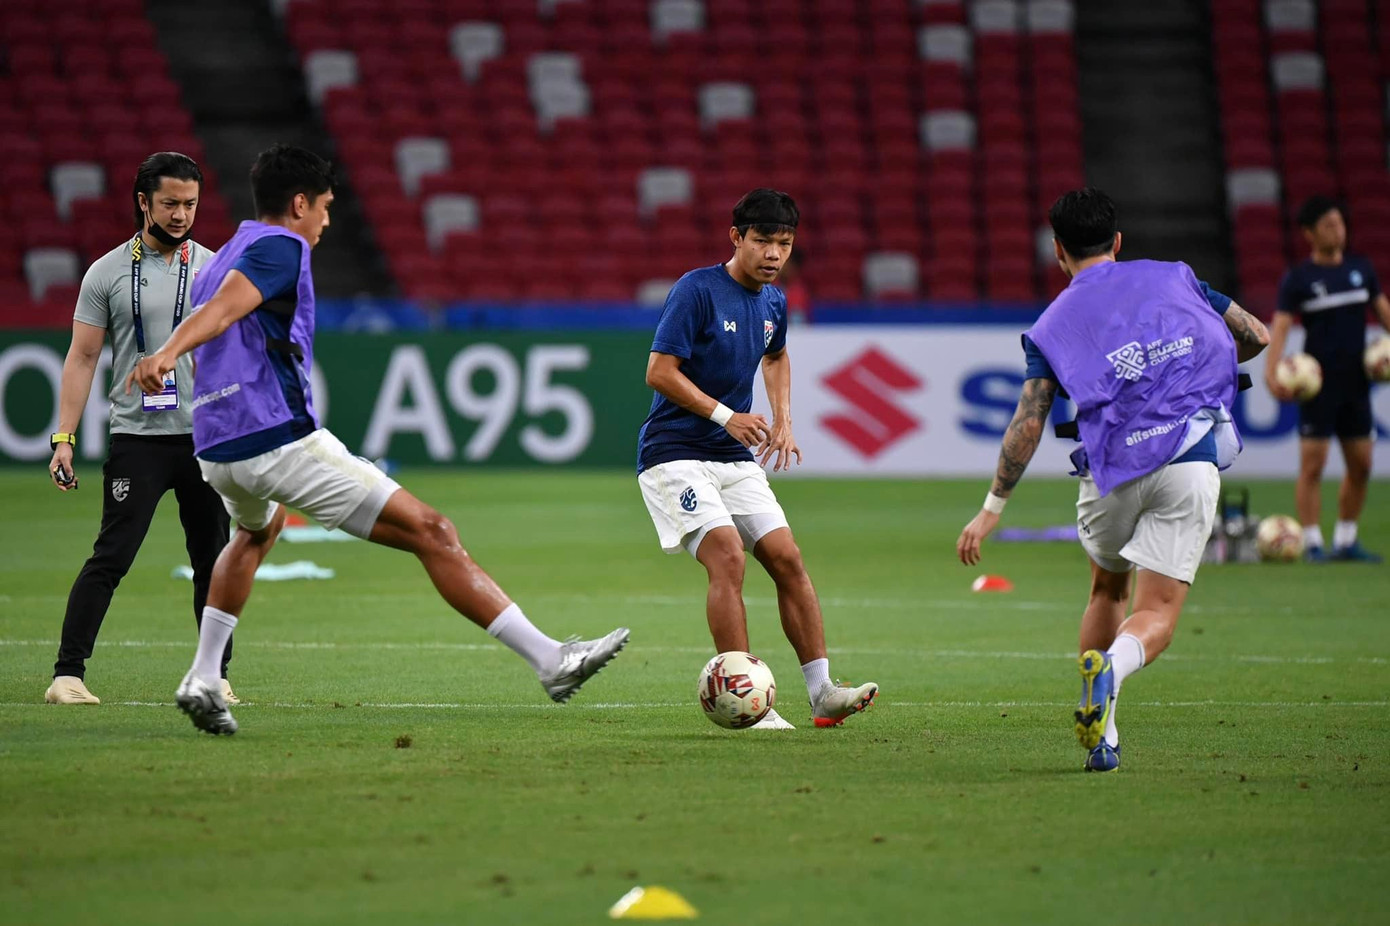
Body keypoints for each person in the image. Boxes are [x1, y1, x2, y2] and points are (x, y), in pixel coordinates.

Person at [128, 144, 628, 735]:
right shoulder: (281, 246)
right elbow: (227, 311)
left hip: (217, 448)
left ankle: (204, 677)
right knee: (434, 531)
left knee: (255, 532)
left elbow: (214, 306)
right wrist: (166, 353)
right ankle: (551, 660)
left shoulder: (224, 250)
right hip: (274, 435)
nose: (327, 221)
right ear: (298, 204)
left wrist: (171, 351)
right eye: (325, 207)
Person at [956, 188, 1270, 772]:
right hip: (1187, 461)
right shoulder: (1177, 279)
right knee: (1157, 616)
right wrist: (1191, 367)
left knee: (1107, 588)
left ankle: (1105, 734)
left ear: (1058, 251)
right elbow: (1255, 335)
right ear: (1118, 242)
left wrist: (993, 506)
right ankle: (1114, 670)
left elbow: (1030, 418)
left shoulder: (1052, 324)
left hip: (1111, 474)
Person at [635, 188, 878, 730]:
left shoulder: (774, 301)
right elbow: (658, 371)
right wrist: (728, 416)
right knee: (728, 556)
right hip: (674, 453)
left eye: (784, 243)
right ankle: (749, 701)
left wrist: (783, 416)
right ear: (736, 237)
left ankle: (822, 693)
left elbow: (777, 354)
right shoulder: (697, 290)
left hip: (732, 456)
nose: (773, 254)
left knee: (788, 559)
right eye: (763, 241)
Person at [44, 152, 235, 706]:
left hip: (205, 439)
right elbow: (82, 358)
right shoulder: (105, 273)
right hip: (137, 440)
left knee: (213, 559)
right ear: (143, 202)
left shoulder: (215, 267)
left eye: (191, 204)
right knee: (112, 555)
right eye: (171, 203)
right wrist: (64, 436)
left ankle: (214, 675)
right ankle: (67, 675)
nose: (181, 215)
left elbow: (234, 354)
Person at [1267, 196, 1390, 562]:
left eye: (1340, 223)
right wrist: (1273, 373)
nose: (1338, 230)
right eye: (1328, 225)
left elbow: (1384, 313)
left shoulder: (1361, 270)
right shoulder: (1300, 279)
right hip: (1316, 387)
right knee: (1313, 466)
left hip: (1356, 384)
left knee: (1362, 465)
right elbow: (1282, 328)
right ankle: (1313, 542)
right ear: (1309, 233)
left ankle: (1347, 540)